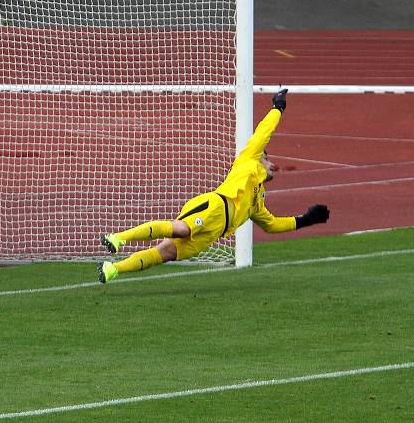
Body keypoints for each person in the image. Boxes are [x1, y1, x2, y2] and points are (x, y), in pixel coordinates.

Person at [98, 89, 330, 283]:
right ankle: (118, 237)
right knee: (181, 229)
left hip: (212, 234)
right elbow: (264, 132)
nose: (273, 165)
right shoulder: (249, 159)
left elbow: (272, 225)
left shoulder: (257, 202)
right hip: (214, 207)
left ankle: (114, 269)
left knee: (165, 253)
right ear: (260, 158)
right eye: (269, 160)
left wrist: (306, 220)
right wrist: (277, 108)